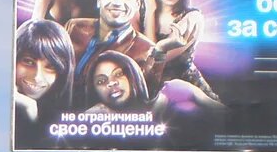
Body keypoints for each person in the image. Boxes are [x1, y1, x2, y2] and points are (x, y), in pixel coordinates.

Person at [81, 51, 224, 147]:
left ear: (132, 75)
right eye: (101, 81)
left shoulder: (175, 91)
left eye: (118, 74)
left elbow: (229, 118)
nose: (111, 83)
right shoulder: (97, 120)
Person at [65, 0, 164, 97]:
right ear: (99, 0)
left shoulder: (147, 50)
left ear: (137, 5)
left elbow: (142, 100)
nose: (117, 2)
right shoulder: (74, 27)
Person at [143, 0, 219, 100]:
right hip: (148, 92)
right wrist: (150, 11)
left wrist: (150, 12)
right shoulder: (139, 12)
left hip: (188, 93)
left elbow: (152, 62)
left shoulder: (192, 18)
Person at [13, 19, 75, 148]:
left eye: (50, 67)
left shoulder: (67, 131)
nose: (37, 77)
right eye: (28, 61)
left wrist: (30, 115)